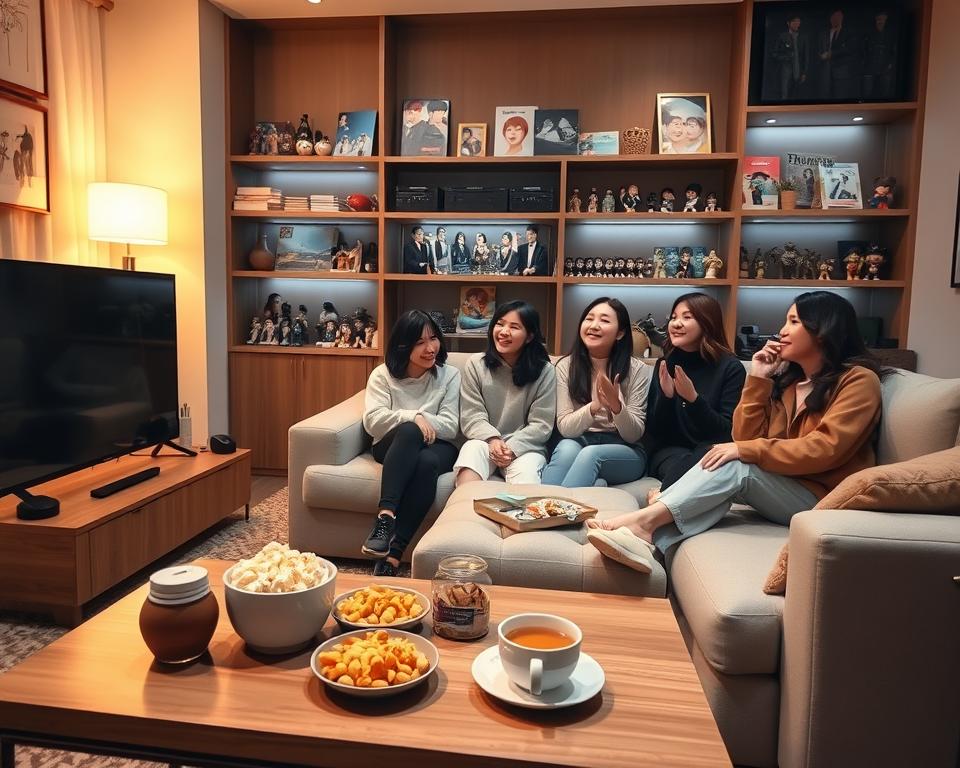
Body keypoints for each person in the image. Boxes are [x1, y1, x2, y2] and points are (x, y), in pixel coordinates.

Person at [585, 291, 888, 574]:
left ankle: (642, 523)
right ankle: (649, 545)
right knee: (719, 475)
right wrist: (759, 378)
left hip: (823, 498)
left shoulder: (858, 381)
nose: (781, 331)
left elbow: (825, 448)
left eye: (793, 322)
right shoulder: (788, 383)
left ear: (823, 329)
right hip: (783, 484)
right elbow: (744, 437)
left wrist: (740, 445)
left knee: (732, 463)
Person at [361, 311, 461, 577]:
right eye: (419, 342)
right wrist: (414, 417)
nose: (430, 348)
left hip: (439, 447)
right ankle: (386, 515)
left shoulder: (449, 375)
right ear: (403, 345)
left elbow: (450, 426)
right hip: (394, 446)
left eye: (433, 338)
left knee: (426, 461)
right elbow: (373, 422)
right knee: (408, 429)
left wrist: (420, 422)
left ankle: (393, 555)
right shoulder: (382, 375)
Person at [642, 294, 745, 504]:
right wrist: (667, 397)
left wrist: (693, 400)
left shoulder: (731, 368)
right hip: (669, 451)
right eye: (673, 317)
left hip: (711, 450)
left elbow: (727, 432)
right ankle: (665, 498)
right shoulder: (666, 364)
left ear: (707, 323)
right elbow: (654, 431)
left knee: (708, 457)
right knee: (689, 465)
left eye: (687, 317)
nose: (676, 323)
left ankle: (661, 497)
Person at [541, 298, 648, 488]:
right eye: (589, 319)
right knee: (566, 449)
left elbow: (633, 435)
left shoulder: (637, 369)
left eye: (604, 320)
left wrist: (617, 407)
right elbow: (565, 428)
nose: (594, 326)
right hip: (580, 439)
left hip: (625, 449)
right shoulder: (566, 366)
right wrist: (594, 407)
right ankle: (555, 499)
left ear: (620, 333)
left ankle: (559, 506)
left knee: (590, 455)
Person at [455, 300, 556, 485]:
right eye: (500, 324)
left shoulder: (545, 371)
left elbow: (541, 424)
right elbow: (471, 415)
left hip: (525, 448)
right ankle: (465, 503)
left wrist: (511, 448)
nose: (503, 332)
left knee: (527, 478)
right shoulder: (476, 364)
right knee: (472, 451)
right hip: (485, 441)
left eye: (514, 327)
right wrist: (493, 439)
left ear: (529, 336)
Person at [817, 9, 859, 100]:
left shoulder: (848, 32)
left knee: (840, 95)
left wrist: (831, 54)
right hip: (825, 70)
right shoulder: (823, 33)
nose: (835, 19)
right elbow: (818, 50)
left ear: (842, 18)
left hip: (841, 71)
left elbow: (849, 49)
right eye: (833, 17)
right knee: (825, 95)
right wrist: (820, 56)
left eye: (837, 17)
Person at [772, 14, 809, 100]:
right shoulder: (782, 36)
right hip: (785, 70)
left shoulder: (804, 37)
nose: (797, 24)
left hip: (799, 70)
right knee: (784, 95)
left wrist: (804, 72)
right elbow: (774, 54)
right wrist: (786, 57)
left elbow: (806, 56)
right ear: (788, 23)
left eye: (798, 21)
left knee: (797, 95)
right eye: (794, 21)